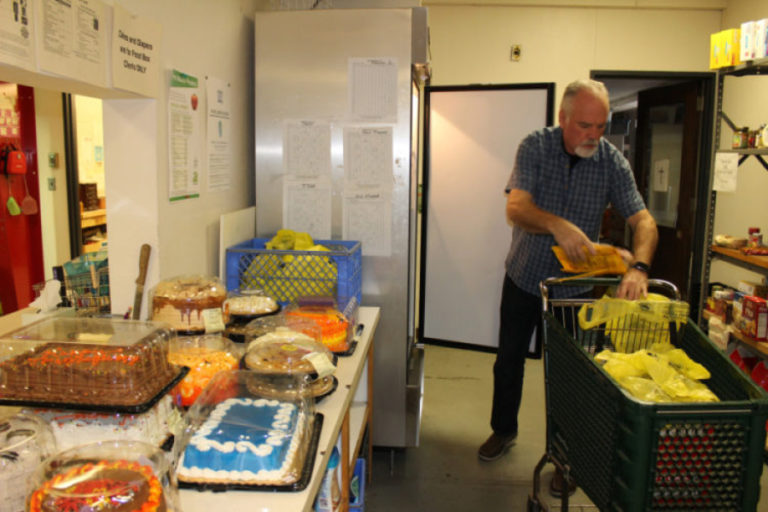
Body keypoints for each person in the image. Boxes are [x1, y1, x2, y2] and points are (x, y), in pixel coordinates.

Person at [477, 79, 658, 497]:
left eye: (600, 126)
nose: (593, 135)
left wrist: (640, 268)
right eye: (584, 126)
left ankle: (565, 456)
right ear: (562, 119)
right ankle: (503, 431)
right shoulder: (535, 147)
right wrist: (557, 224)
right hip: (524, 278)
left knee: (572, 377)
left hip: (573, 292)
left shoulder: (611, 162)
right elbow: (515, 207)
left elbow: (643, 221)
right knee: (508, 362)